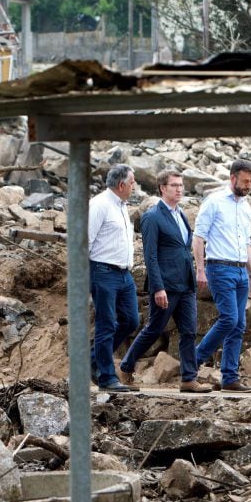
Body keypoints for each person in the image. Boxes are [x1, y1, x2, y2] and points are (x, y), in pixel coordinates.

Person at [119, 170, 212, 393]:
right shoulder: (152, 217)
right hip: (166, 285)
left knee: (189, 331)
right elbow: (150, 256)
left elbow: (183, 247)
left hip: (186, 283)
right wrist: (158, 287)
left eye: (181, 185)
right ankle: (126, 366)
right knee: (154, 328)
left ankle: (189, 379)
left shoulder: (181, 215)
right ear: (162, 188)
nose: (179, 189)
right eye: (174, 185)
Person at [193, 160, 251, 392]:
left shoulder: (246, 207)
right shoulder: (214, 202)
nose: (248, 185)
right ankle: (193, 361)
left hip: (241, 269)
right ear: (232, 178)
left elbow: (247, 243)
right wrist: (200, 270)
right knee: (229, 318)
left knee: (239, 324)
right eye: (245, 181)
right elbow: (199, 237)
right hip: (219, 267)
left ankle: (230, 377)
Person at [88, 164, 140, 392]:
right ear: (121, 185)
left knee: (131, 320)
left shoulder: (121, 205)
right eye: (132, 182)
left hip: (123, 273)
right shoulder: (99, 205)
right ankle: (107, 377)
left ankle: (93, 360)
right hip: (103, 271)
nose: (135, 186)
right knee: (106, 323)